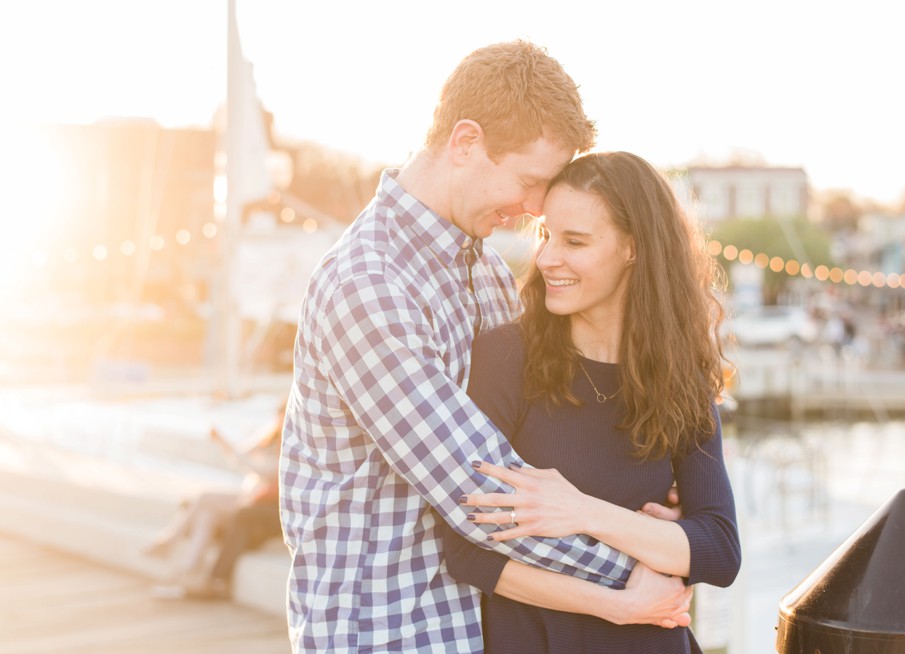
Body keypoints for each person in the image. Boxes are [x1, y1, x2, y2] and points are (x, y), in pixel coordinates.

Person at [279, 41, 691, 654]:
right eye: (529, 181)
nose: (532, 208)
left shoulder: (490, 275)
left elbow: (541, 440)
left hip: (481, 628)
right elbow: (484, 492)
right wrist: (641, 559)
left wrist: (643, 499)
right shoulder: (366, 285)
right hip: (386, 629)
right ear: (465, 142)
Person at [443, 151, 742, 653]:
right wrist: (619, 604)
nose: (546, 259)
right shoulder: (505, 357)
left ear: (633, 248)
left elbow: (718, 550)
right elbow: (468, 553)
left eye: (574, 241)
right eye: (547, 236)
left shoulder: (678, 377)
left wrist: (582, 511)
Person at [146, 399, 285, 599]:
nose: (279, 421)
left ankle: (171, 541)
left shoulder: (288, 448)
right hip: (247, 497)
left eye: (282, 417)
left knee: (204, 498)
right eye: (278, 417)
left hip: (252, 501)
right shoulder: (268, 440)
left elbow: (260, 470)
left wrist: (226, 443)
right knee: (205, 516)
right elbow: (240, 453)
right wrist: (222, 439)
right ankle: (189, 568)